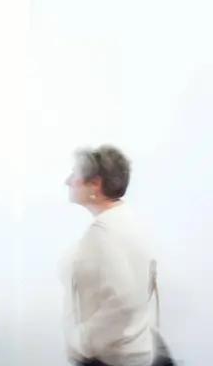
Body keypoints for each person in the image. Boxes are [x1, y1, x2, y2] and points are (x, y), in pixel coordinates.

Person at [62, 145, 166, 366]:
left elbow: (124, 302)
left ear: (95, 183)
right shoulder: (127, 218)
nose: (68, 181)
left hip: (113, 359)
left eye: (74, 174)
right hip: (135, 353)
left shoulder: (102, 233)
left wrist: (81, 342)